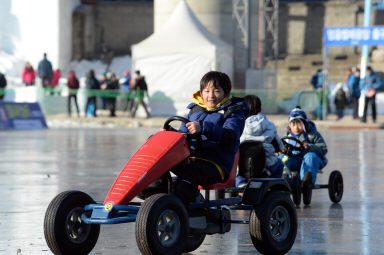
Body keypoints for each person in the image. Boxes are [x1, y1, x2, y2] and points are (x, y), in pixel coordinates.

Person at [172, 71, 248, 206]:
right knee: (162, 165)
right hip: (192, 159)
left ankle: (175, 208)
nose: (211, 96)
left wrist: (204, 127)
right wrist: (169, 133)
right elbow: (182, 135)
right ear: (201, 93)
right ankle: (153, 198)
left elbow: (230, 137)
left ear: (226, 92)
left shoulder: (234, 112)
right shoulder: (195, 110)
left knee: (191, 171)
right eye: (206, 91)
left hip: (217, 164)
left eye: (216, 91)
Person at [236, 95, 284, 187]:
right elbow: (279, 145)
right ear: (260, 108)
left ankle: (240, 183)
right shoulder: (268, 125)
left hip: (242, 168)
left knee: (235, 167)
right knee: (280, 164)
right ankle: (273, 187)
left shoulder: (238, 125)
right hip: (264, 167)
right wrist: (281, 149)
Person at [280, 106, 328, 192]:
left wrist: (309, 147)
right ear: (289, 126)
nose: (296, 128)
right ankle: (284, 180)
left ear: (304, 123)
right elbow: (281, 148)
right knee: (281, 158)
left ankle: (306, 183)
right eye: (293, 125)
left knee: (310, 156)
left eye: (299, 124)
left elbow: (323, 148)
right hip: (295, 160)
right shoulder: (288, 137)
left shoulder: (312, 134)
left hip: (313, 160)